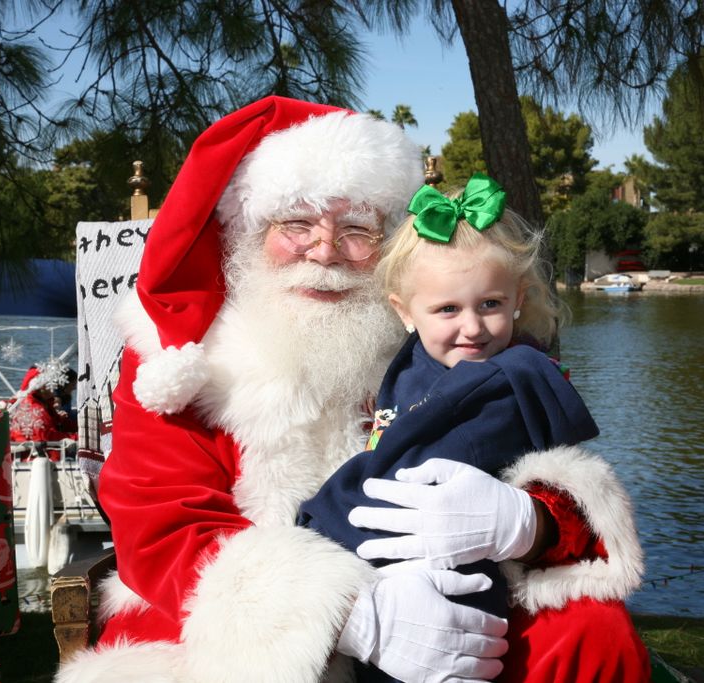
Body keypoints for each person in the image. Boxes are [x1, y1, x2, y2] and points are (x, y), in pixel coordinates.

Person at [56, 96, 648, 683]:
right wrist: (355, 617)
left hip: (438, 585)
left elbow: (535, 454)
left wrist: (525, 521)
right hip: (235, 616)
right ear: (247, 229)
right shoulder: (178, 358)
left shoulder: (436, 331)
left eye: (357, 229)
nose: (325, 249)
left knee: (592, 633)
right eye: (296, 224)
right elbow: (161, 521)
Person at [297, 175, 605, 683]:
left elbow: (405, 465)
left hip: (461, 568)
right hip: (385, 572)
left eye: (490, 304)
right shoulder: (410, 363)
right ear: (404, 312)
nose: (472, 328)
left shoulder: (506, 379)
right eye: (447, 309)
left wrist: (321, 519)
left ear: (518, 299)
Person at [8, 366, 77, 444]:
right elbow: (46, 436)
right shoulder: (34, 408)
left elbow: (59, 423)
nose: (55, 387)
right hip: (33, 452)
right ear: (41, 387)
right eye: (51, 384)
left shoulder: (45, 403)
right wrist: (75, 437)